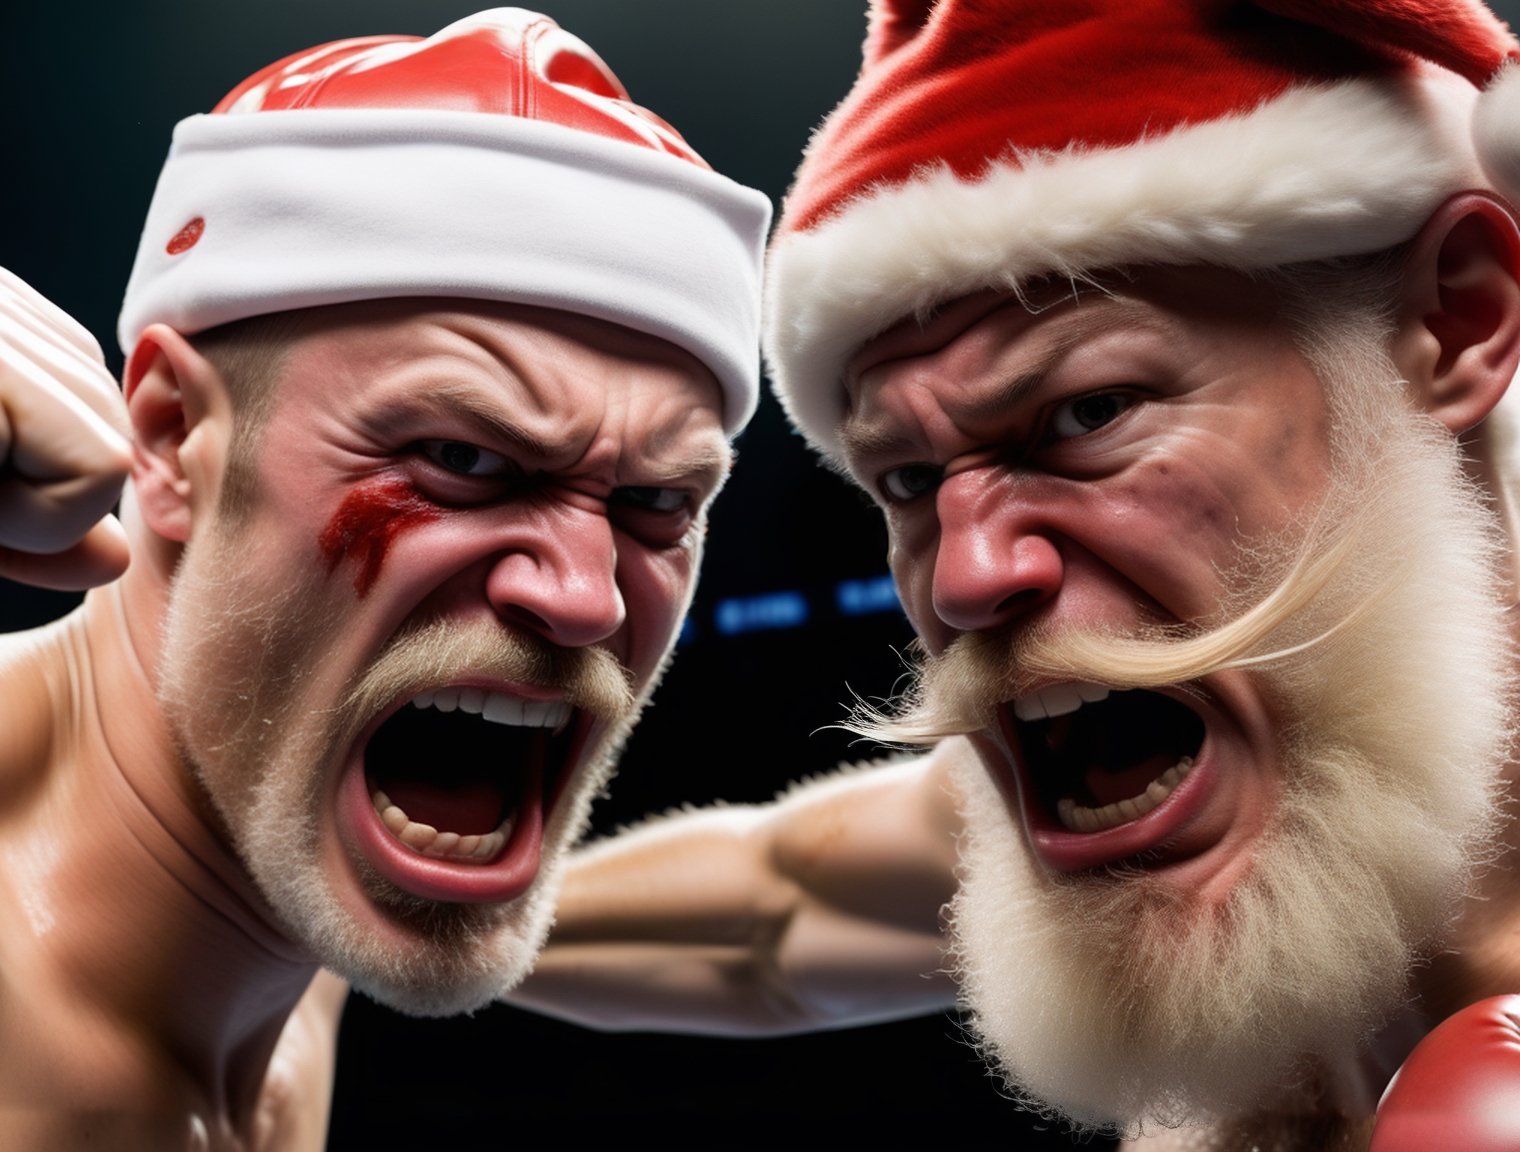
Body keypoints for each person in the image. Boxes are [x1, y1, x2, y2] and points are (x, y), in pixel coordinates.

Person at [514, 1, 1520, 1147]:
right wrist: (383, 926)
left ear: (1455, 325)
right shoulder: (1246, 781)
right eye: (904, 482)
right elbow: (770, 911)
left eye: (1089, 414)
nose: (963, 581)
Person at [0, 8, 769, 1148]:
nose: (588, 596)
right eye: (463, 460)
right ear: (168, 438)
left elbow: (781, 914)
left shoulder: (297, 884)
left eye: (658, 503)